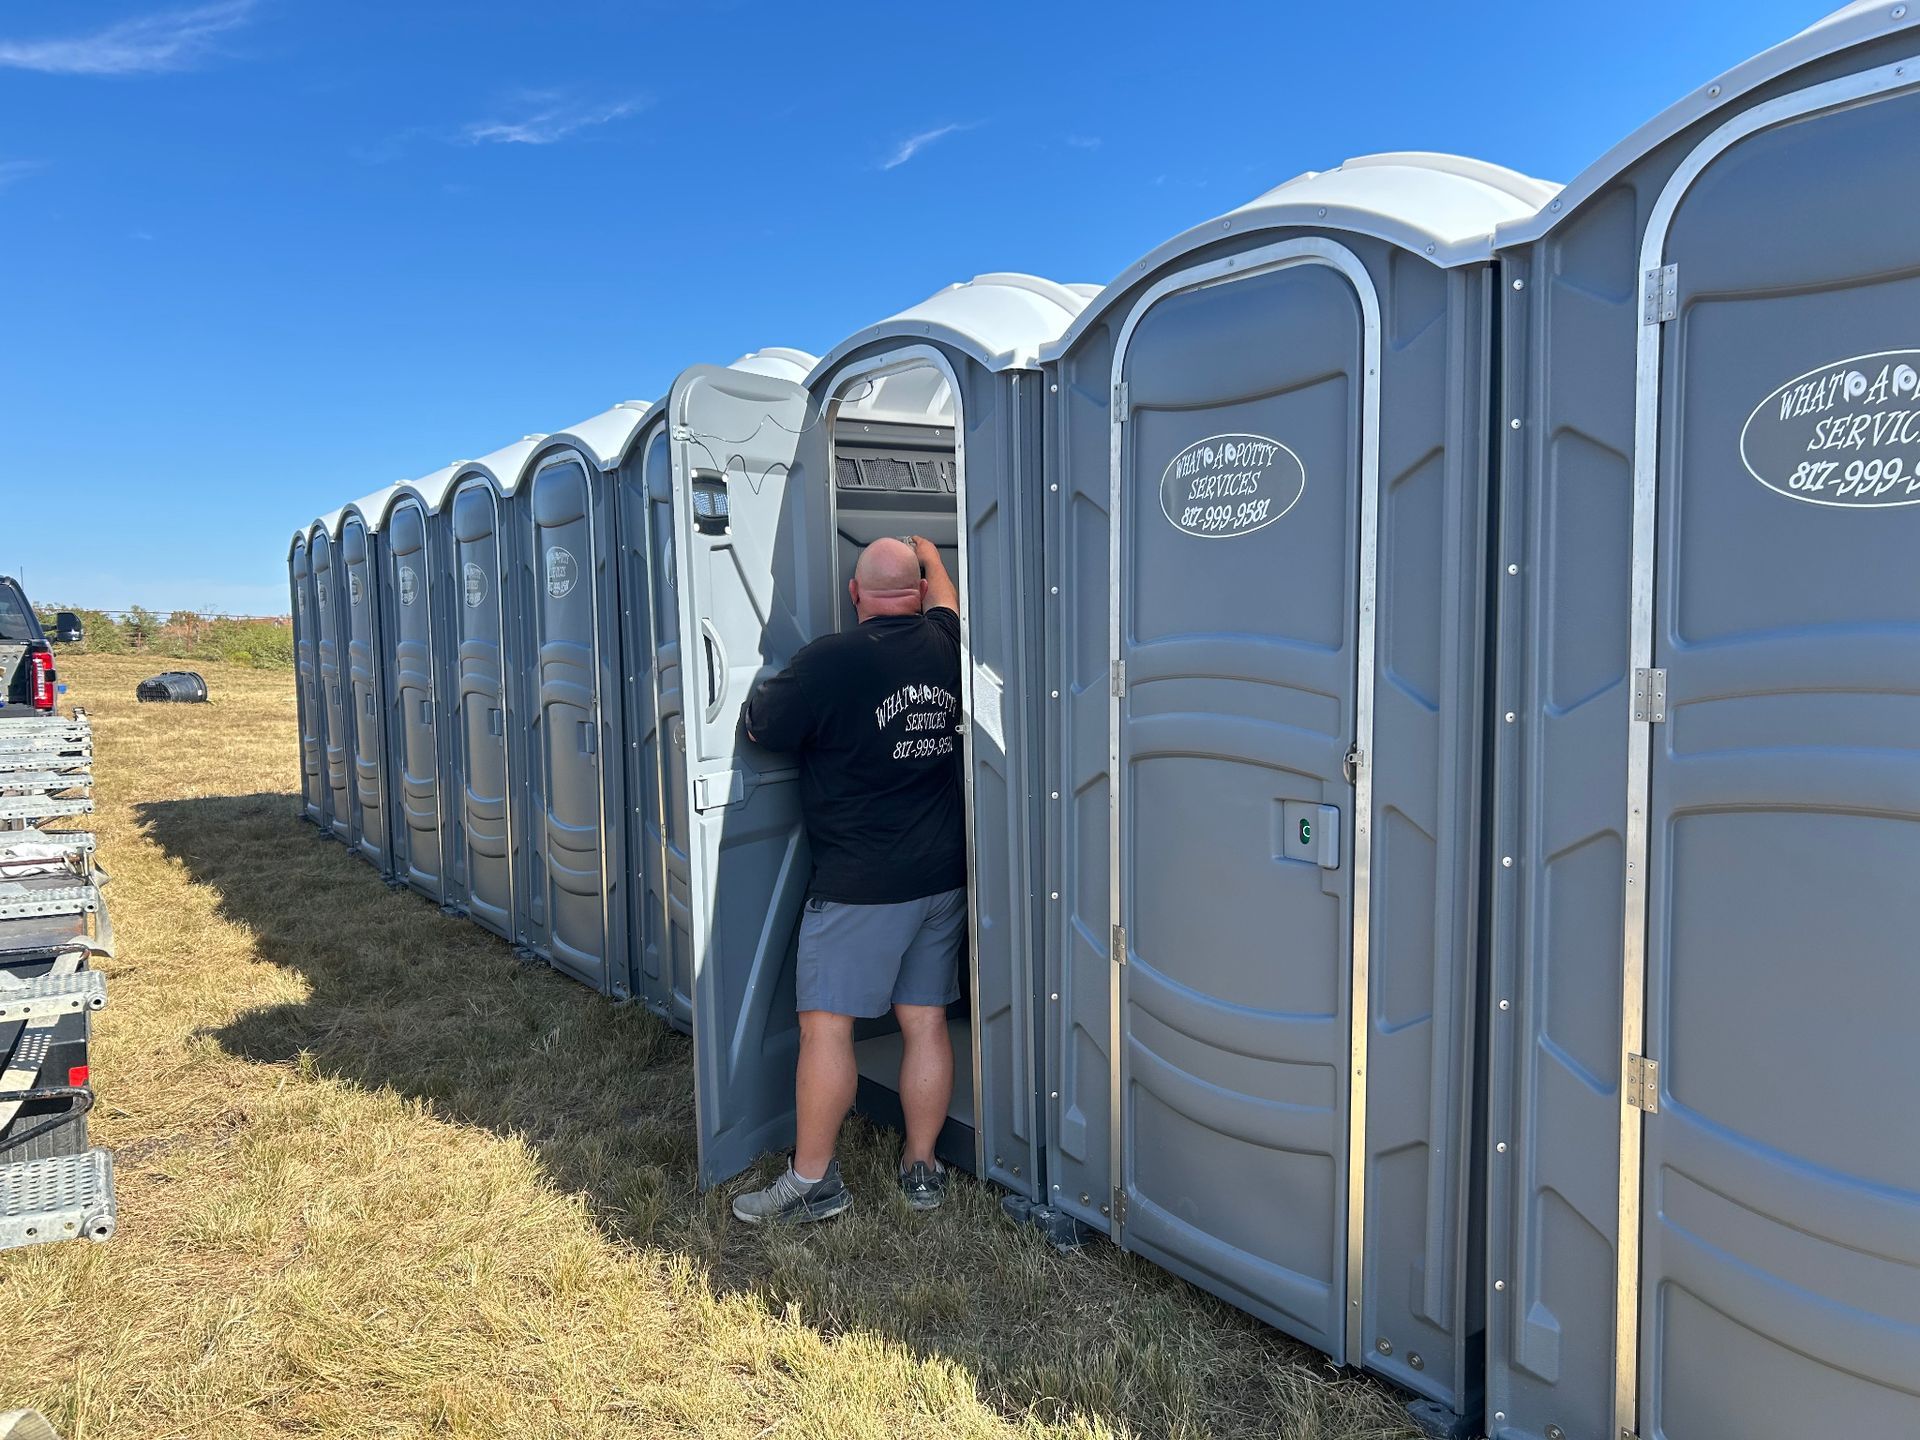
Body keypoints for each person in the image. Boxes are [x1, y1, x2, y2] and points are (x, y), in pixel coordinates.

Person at [731, 534, 966, 1224]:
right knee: (924, 1020)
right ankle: (921, 1167)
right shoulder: (945, 643)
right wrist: (932, 556)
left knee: (825, 1029)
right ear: (917, 593)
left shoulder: (829, 661)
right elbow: (947, 603)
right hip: (942, 876)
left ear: (855, 596)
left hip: (862, 884)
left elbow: (758, 726)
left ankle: (812, 1184)